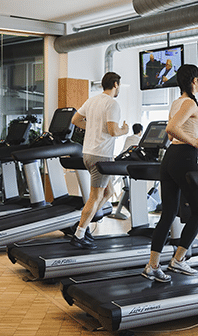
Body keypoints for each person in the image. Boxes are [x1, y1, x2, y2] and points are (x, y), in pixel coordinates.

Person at [141, 64, 198, 282]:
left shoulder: (177, 103)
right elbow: (171, 129)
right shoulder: (189, 103)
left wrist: (191, 135)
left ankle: (152, 266)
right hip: (185, 157)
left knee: (168, 214)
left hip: (170, 158)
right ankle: (179, 260)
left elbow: (171, 136)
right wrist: (196, 142)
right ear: (194, 81)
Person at [70, 72, 129, 249]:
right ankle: (79, 233)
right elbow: (113, 131)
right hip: (100, 155)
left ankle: (84, 222)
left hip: (88, 154)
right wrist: (124, 130)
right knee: (95, 197)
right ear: (116, 84)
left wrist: (93, 128)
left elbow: (75, 120)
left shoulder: (92, 100)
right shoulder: (112, 104)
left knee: (109, 192)